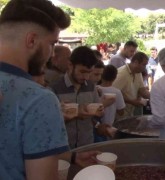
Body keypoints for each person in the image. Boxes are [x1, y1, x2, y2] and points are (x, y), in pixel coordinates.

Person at [0, 0, 98, 179]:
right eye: (52, 44)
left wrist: (72, 156)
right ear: (32, 40)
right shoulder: (39, 99)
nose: (52, 54)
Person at [50, 46, 111, 149]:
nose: (86, 77)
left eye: (89, 72)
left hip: (87, 146)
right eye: (82, 72)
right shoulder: (54, 88)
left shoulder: (91, 87)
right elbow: (49, 123)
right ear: (70, 65)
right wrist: (74, 113)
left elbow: (94, 118)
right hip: (63, 149)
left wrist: (98, 113)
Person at [112, 52, 150, 118]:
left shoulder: (138, 73)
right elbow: (113, 94)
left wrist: (154, 96)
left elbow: (142, 90)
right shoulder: (121, 74)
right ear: (136, 62)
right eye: (144, 65)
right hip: (118, 114)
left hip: (129, 113)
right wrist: (132, 102)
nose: (144, 67)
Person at [95, 65, 125, 142]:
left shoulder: (95, 89)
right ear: (115, 77)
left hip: (95, 125)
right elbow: (121, 111)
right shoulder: (117, 92)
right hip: (109, 126)